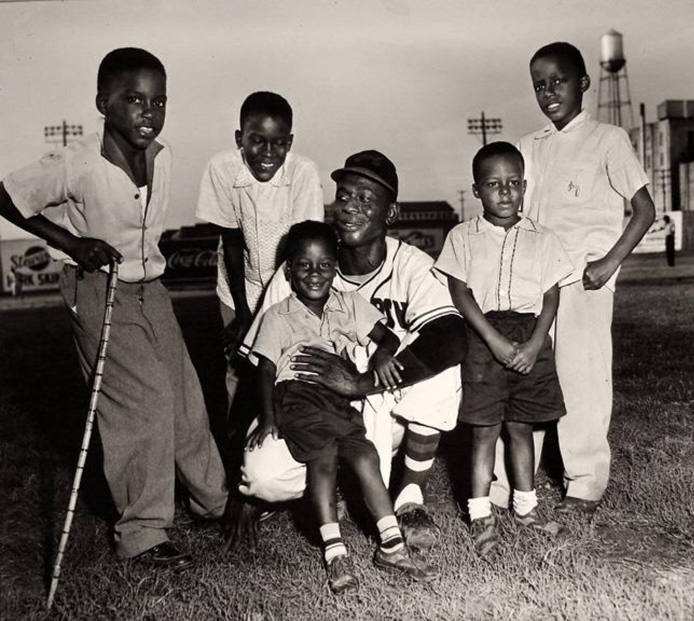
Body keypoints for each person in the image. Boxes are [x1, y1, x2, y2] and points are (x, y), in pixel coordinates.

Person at [0, 48, 228, 570]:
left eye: (159, 101)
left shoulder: (163, 155)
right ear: (104, 103)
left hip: (152, 288)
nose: (149, 112)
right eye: (134, 99)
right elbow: (6, 195)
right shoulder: (75, 161)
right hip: (97, 288)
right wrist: (71, 242)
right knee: (142, 403)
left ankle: (213, 501)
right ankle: (143, 533)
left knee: (184, 395)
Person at [228, 150, 466, 551]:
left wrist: (363, 383)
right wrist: (242, 491)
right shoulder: (307, 262)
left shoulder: (410, 265)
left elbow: (452, 336)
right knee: (262, 477)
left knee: (440, 365)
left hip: (383, 408)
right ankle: (332, 482)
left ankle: (408, 499)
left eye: (365, 199)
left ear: (390, 214)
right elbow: (257, 370)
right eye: (344, 196)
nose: (350, 208)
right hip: (307, 407)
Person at [505, 41, 655, 515]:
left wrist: (609, 262)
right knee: (524, 377)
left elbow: (644, 210)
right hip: (535, 283)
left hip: (584, 280)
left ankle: (585, 483)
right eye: (539, 85)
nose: (549, 92)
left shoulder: (608, 139)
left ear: (584, 83)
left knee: (581, 380)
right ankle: (513, 482)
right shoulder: (529, 146)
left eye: (559, 81)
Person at [246, 220, 436, 592]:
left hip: (337, 397)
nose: (315, 274)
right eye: (304, 265)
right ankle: (335, 554)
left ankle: (391, 547)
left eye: (324, 265)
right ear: (289, 269)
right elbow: (266, 370)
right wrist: (268, 417)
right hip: (297, 396)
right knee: (322, 459)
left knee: (365, 455)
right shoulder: (277, 316)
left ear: (336, 266)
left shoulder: (347, 303)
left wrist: (382, 357)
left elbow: (388, 336)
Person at [434, 142, 572, 556]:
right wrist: (492, 340)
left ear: (525, 185)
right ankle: (480, 515)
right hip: (483, 337)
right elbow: (460, 292)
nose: (505, 192)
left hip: (530, 335)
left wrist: (534, 344)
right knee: (484, 432)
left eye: (514, 183)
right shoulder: (462, 236)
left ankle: (525, 508)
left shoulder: (543, 238)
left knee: (522, 428)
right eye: (494, 184)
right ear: (477, 190)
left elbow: (551, 296)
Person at [195, 91, 323, 426]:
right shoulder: (221, 168)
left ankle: (286, 446)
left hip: (287, 283)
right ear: (239, 138)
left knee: (284, 366)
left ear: (290, 141)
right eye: (256, 141)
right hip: (238, 286)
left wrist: (268, 315)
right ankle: (236, 449)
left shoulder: (304, 173)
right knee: (238, 369)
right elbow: (232, 240)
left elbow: (298, 251)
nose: (268, 153)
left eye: (278, 143)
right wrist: (242, 315)